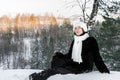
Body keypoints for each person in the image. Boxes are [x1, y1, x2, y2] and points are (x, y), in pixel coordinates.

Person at [29, 20, 110, 80]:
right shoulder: (75, 40)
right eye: (75, 28)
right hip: (73, 63)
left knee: (58, 70)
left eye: (79, 28)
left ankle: (38, 78)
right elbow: (69, 55)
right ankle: (39, 75)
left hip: (83, 67)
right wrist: (60, 55)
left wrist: (104, 70)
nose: (77, 30)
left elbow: (97, 57)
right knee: (57, 65)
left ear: (84, 29)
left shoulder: (90, 40)